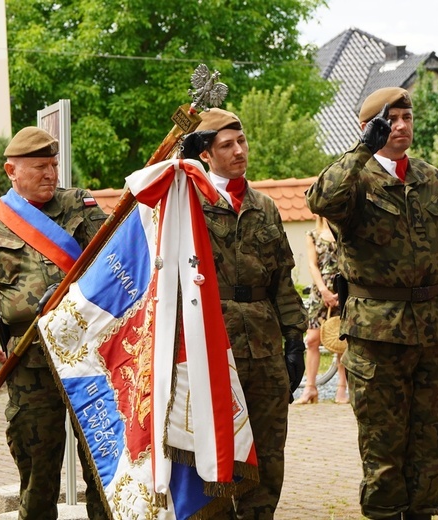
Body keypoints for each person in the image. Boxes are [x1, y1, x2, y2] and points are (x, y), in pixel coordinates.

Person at [305, 87, 438, 520]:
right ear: (369, 128)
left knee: (429, 448)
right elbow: (320, 199)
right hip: (376, 338)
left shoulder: (429, 178)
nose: (401, 126)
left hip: (431, 335)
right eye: (390, 119)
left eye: (407, 117)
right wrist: (361, 150)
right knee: (383, 451)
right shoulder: (355, 180)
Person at [0, 127, 108, 519]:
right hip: (29, 366)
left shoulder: (79, 207)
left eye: (53, 165)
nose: (50, 174)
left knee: (105, 471)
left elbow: (117, 262)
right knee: (37, 480)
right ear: (11, 170)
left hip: (90, 359)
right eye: (39, 167)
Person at [181, 108, 308, 519]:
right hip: (213, 345)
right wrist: (176, 167)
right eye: (227, 145)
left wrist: (294, 339)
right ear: (205, 154)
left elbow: (283, 281)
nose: (239, 151)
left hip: (264, 344)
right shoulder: (187, 202)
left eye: (242, 142)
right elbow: (145, 212)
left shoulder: (265, 207)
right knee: (215, 449)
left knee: (269, 450)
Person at [293, 215, 349, 404]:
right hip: (320, 292)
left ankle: (341, 389)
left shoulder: (343, 233)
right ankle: (310, 388)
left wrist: (340, 293)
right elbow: (312, 265)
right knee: (312, 339)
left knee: (341, 340)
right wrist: (324, 291)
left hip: (343, 290)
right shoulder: (313, 235)